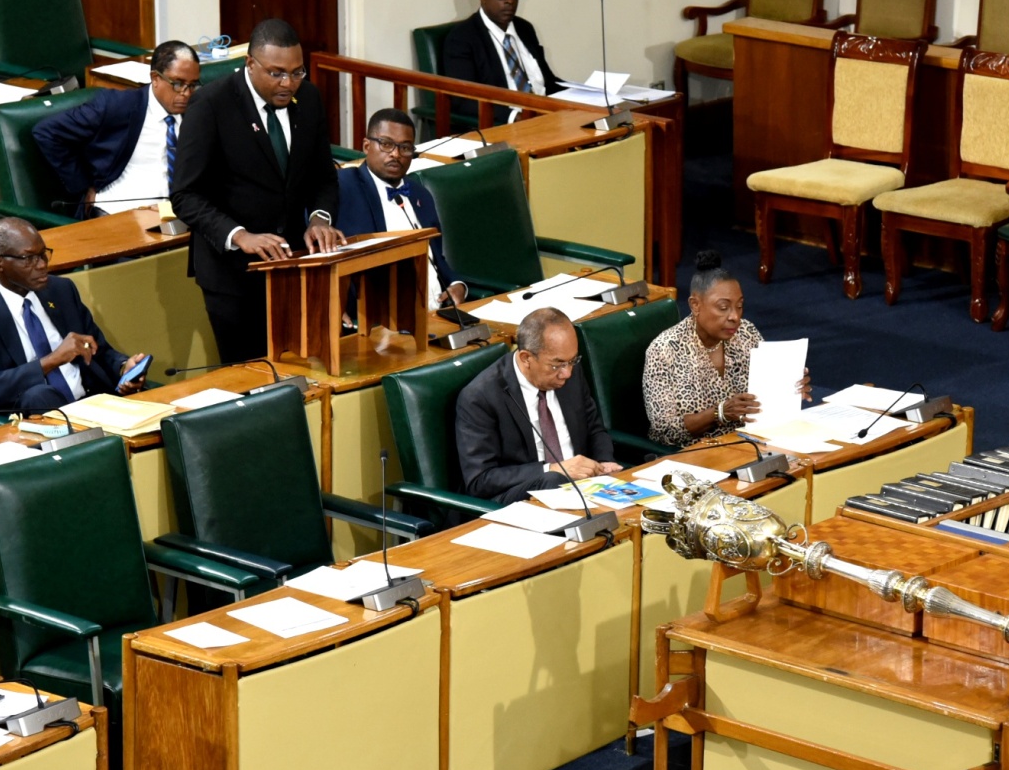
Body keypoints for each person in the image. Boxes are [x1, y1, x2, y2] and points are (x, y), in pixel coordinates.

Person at [170, 18, 344, 363]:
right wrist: (240, 235)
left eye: (297, 72)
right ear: (250, 64)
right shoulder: (211, 105)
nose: (288, 83)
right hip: (232, 275)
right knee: (252, 378)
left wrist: (319, 219)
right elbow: (185, 195)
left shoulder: (308, 99)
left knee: (301, 370)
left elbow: (323, 177)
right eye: (277, 73)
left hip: (293, 265)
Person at [643, 251, 810, 447]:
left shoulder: (746, 332)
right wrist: (719, 413)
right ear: (695, 305)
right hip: (696, 452)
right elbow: (664, 431)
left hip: (751, 441)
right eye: (723, 308)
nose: (735, 317)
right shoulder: (664, 350)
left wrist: (790, 387)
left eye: (739, 306)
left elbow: (765, 395)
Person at [457, 307, 621, 505]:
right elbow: (480, 480)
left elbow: (594, 429)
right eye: (557, 364)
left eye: (572, 361)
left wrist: (604, 461)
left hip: (584, 487)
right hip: (518, 497)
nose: (567, 373)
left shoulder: (570, 372)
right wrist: (551, 469)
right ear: (526, 358)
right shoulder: (481, 396)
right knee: (552, 480)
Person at [33, 40, 201, 218]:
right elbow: (47, 132)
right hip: (122, 211)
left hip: (177, 211)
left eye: (192, 85)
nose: (186, 93)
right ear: (155, 78)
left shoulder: (197, 110)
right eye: (177, 84)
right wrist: (83, 186)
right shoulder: (116, 106)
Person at [0, 217, 146, 411]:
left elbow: (98, 350)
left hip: (94, 401)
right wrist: (53, 360)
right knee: (39, 395)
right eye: (29, 258)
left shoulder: (61, 290)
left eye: (43, 254)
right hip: (38, 415)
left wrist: (123, 366)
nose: (42, 265)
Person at [337, 108, 466, 310]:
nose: (396, 154)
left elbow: (436, 256)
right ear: (366, 146)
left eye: (405, 148)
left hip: (438, 311)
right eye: (386, 144)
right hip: (379, 315)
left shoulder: (420, 194)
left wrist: (457, 284)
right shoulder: (344, 186)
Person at [443, 0, 561, 123]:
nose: (509, 1)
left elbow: (548, 81)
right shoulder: (462, 38)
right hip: (506, 123)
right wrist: (515, 117)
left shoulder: (525, 28)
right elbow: (463, 99)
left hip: (546, 114)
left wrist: (583, 95)